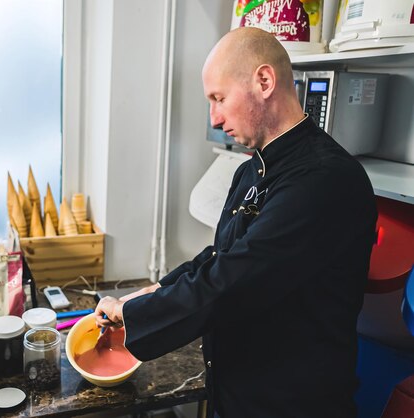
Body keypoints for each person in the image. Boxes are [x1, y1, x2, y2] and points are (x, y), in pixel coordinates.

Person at [95, 27, 377, 418]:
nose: (214, 117)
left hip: (293, 404)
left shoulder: (325, 180)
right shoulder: (252, 170)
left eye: (219, 98)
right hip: (237, 392)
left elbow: (233, 280)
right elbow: (221, 253)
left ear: (264, 81)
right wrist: (152, 291)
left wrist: (138, 316)